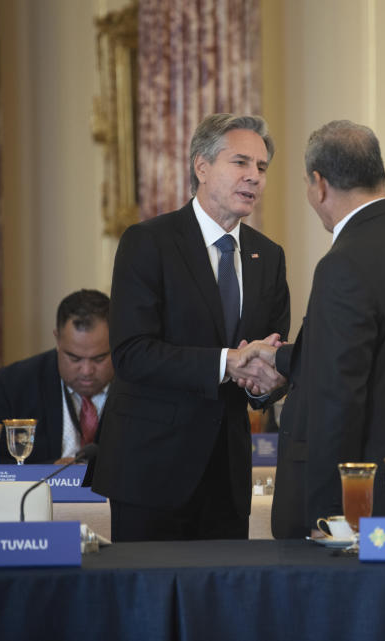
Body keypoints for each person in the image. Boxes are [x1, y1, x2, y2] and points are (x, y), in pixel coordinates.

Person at [236, 120, 385, 539]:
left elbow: (337, 393)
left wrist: (328, 514)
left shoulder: (345, 261)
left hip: (362, 505)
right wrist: (281, 356)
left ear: (319, 184)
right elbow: (378, 355)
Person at [92, 114, 290, 542]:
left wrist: (266, 380)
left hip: (228, 474)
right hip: (151, 468)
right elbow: (132, 353)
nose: (253, 177)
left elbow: (270, 353)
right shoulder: (148, 243)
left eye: (261, 168)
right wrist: (228, 362)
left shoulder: (268, 257)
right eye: (241, 163)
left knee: (222, 605)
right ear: (202, 167)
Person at [0, 289, 113, 469]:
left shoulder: (143, 386)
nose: (87, 370)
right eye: (74, 358)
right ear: (57, 340)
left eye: (99, 358)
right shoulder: (10, 385)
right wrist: (47, 471)